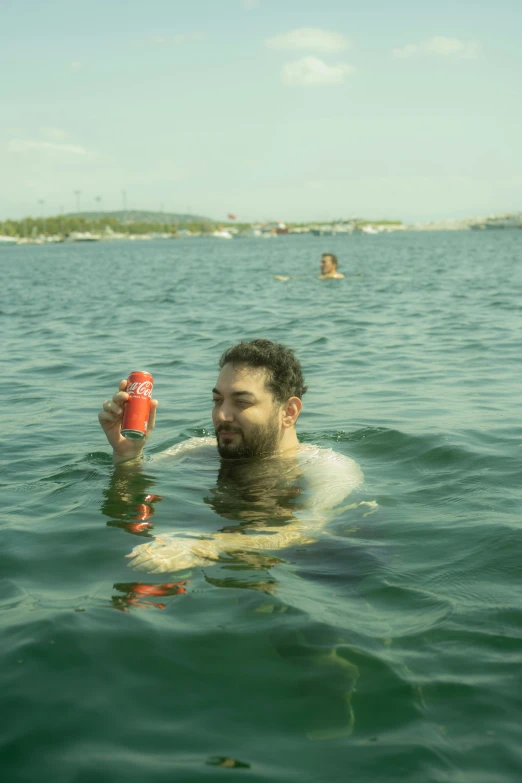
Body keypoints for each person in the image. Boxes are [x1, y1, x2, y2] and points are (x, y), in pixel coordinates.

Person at [99, 339, 368, 572]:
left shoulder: (328, 468)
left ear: (289, 412)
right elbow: (131, 494)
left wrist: (205, 547)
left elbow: (307, 529)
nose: (222, 415)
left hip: (318, 570)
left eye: (241, 402)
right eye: (218, 400)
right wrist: (127, 455)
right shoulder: (195, 450)